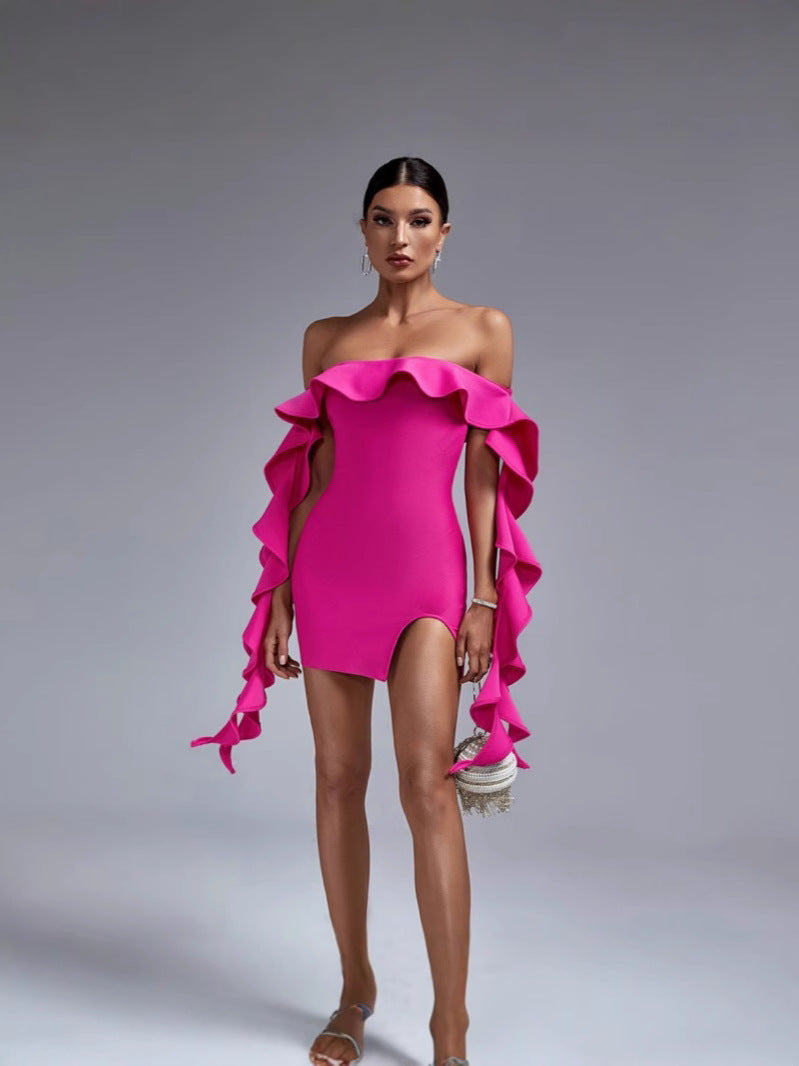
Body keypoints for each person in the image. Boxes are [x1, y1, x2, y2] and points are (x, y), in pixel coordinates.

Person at [191, 156, 542, 1066]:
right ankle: (354, 991)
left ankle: (449, 1029)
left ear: (443, 234)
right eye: (383, 219)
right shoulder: (326, 338)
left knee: (426, 785)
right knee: (337, 779)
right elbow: (311, 476)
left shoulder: (482, 328)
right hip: (330, 573)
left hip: (429, 578)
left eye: (418, 220)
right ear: (362, 231)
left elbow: (484, 474)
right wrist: (278, 594)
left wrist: (481, 595)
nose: (400, 236)